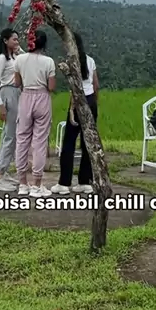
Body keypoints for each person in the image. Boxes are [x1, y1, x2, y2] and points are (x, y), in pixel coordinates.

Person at [51, 32, 99, 196]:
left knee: (69, 143)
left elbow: (74, 88)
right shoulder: (90, 60)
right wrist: (94, 104)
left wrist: (72, 109)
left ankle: (64, 183)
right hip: (90, 100)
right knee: (88, 143)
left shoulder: (71, 61)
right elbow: (95, 84)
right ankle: (85, 182)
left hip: (77, 101)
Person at [14, 29, 56, 199]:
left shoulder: (20, 59)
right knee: (39, 142)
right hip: (42, 98)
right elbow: (51, 87)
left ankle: (22, 183)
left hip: (25, 97)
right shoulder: (49, 61)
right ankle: (37, 185)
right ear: (44, 44)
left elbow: (17, 83)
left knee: (22, 139)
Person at [0, 27, 22, 192]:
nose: (17, 41)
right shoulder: (2, 59)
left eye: (17, 39)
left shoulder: (14, 56)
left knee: (9, 134)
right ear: (5, 40)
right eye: (14, 39)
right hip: (8, 93)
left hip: (16, 93)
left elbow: (25, 59)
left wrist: (18, 49)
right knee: (10, 135)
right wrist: (0, 104)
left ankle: (4, 170)